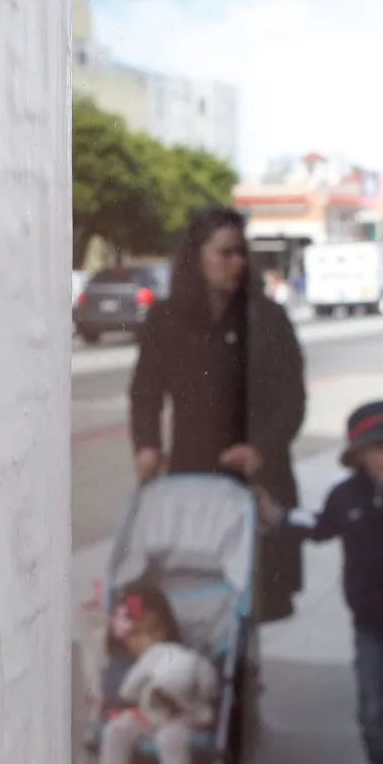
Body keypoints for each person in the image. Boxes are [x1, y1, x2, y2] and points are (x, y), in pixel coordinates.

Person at [129, 206, 308, 622]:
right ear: (197, 257)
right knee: (193, 603)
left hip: (258, 480)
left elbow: (292, 401)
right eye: (225, 253)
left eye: (241, 253)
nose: (237, 263)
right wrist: (147, 446)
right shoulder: (166, 320)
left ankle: (245, 684)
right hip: (194, 481)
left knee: (251, 611)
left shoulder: (268, 319)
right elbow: (145, 393)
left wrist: (260, 448)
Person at [257, 400, 383, 764]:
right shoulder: (345, 494)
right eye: (378, 448)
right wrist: (276, 517)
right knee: (376, 707)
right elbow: (318, 526)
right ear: (359, 455)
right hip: (370, 618)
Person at [96, 582, 219, 764]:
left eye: (151, 633)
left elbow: (208, 682)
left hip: (179, 715)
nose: (142, 641)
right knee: (115, 732)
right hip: (145, 713)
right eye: (135, 634)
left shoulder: (181, 655)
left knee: (170, 738)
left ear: (163, 632)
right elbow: (125, 692)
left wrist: (207, 692)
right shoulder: (128, 660)